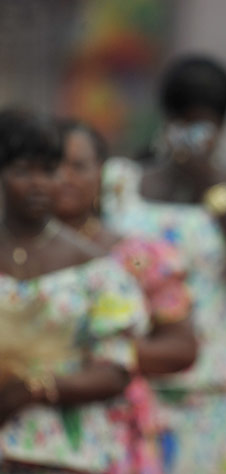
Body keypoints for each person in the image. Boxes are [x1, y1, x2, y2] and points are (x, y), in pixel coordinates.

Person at [100, 54, 226, 473]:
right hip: (140, 391)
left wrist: (212, 190)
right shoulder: (122, 183)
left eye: (202, 124)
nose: (191, 136)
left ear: (222, 125)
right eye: (181, 122)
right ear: (165, 119)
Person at [0, 108, 149, 472]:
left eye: (48, 171)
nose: (38, 184)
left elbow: (116, 370)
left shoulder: (95, 268)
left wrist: (32, 389)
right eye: (22, 171)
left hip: (68, 452)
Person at [53, 118, 196, 472]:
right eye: (51, 164)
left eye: (78, 166)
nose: (64, 176)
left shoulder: (137, 256)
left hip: (118, 434)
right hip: (34, 431)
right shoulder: (14, 255)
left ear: (101, 173)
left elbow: (182, 347)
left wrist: (92, 355)